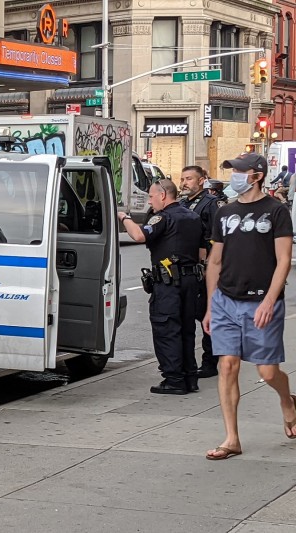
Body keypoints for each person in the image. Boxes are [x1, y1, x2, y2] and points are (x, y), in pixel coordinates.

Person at [203, 152, 296, 460]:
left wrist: (269, 301)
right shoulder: (224, 212)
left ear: (256, 175)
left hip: (261, 302)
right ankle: (231, 438)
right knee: (226, 366)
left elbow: (283, 260)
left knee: (268, 372)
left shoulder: (276, 211)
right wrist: (210, 306)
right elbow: (214, 261)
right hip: (226, 301)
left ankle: (287, 400)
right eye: (233, 171)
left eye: (240, 171)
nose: (234, 176)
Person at [120, 179, 204, 394]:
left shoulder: (163, 217)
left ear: (163, 195)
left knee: (167, 329)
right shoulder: (193, 217)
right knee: (187, 329)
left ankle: (174, 380)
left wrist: (125, 218)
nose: (150, 200)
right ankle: (189, 378)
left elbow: (139, 235)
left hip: (169, 283)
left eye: (151, 196)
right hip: (191, 281)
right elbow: (202, 252)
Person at [178, 166, 221, 379]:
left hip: (205, 268)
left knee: (206, 313)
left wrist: (209, 266)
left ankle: (210, 361)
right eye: (183, 178)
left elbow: (217, 239)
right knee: (189, 314)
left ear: (202, 181)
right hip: (187, 267)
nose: (185, 182)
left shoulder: (211, 204)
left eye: (189, 179)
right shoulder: (183, 203)